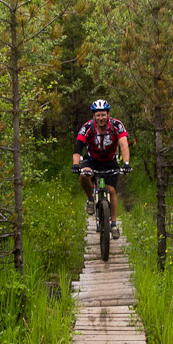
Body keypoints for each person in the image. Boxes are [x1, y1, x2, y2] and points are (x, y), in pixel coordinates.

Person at [72, 99, 131, 239]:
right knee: (83, 175)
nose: (101, 118)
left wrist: (126, 163)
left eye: (103, 115)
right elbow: (78, 147)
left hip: (110, 162)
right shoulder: (87, 127)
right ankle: (90, 199)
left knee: (112, 190)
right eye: (98, 115)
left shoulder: (116, 125)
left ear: (108, 114)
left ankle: (113, 224)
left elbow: (124, 145)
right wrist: (75, 165)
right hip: (92, 160)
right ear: (94, 116)